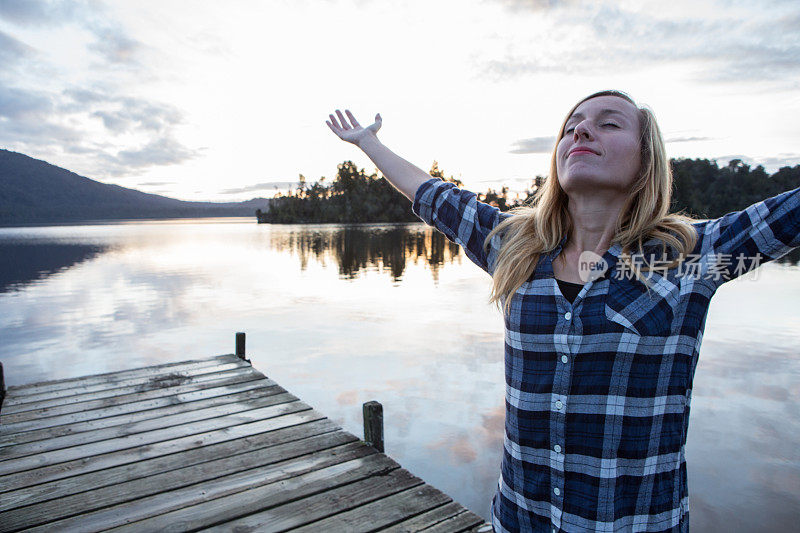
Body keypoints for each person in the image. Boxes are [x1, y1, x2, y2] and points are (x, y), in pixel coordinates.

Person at [325, 91, 800, 532]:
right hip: (517, 519)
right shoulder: (516, 247)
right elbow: (433, 195)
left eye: (608, 124)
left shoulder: (690, 255)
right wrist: (368, 143)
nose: (581, 132)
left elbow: (788, 214)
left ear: (645, 160)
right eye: (571, 126)